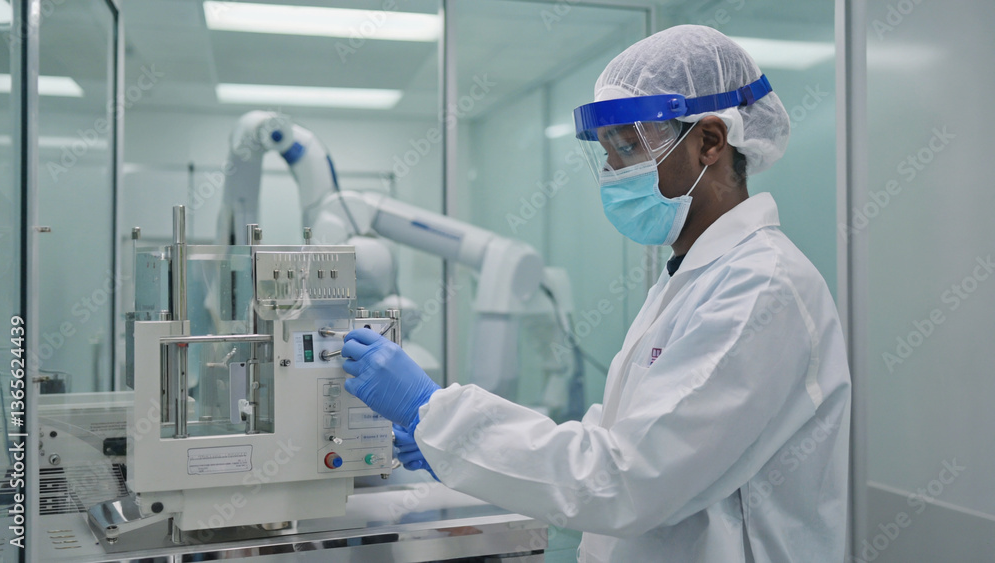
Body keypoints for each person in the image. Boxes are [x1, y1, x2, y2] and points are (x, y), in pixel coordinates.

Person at [341, 25, 850, 563]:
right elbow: (613, 435)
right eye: (606, 151)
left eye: (627, 146)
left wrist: (433, 412)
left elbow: (626, 478)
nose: (611, 170)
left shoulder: (762, 288)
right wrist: (453, 449)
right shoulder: (691, 278)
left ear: (709, 141)